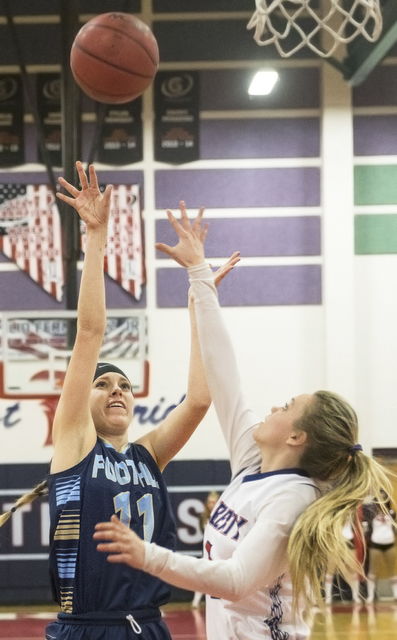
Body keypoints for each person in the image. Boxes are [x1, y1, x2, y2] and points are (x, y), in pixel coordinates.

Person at [94, 202, 396, 640]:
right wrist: (200, 283)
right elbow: (224, 378)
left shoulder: (293, 498)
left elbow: (235, 580)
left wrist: (148, 555)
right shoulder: (255, 464)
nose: (274, 407)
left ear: (296, 436)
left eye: (287, 406)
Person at [0, 170, 239, 640]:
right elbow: (90, 333)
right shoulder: (74, 445)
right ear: (79, 400)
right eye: (103, 383)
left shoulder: (147, 455)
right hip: (91, 628)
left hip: (150, 627)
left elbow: (201, 398)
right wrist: (96, 234)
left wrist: (199, 304)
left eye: (125, 385)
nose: (116, 390)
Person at [363, 491, 397, 603]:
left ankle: (396, 595)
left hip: (389, 544)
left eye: (384, 498)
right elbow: (367, 528)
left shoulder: (392, 513)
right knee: (372, 571)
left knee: (392, 571)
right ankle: (371, 596)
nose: (382, 500)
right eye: (380, 498)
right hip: (376, 545)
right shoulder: (372, 514)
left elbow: (394, 528)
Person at [191, 490, 220, 609]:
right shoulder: (203, 516)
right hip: (207, 551)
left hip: (219, 551)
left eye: (214, 502)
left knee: (219, 577)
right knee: (202, 575)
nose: (211, 505)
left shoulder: (222, 516)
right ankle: (195, 602)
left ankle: (219, 603)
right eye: (209, 502)